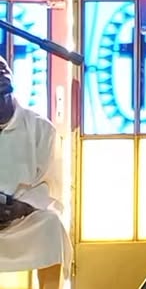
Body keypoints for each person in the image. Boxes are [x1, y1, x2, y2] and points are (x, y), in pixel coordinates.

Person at [0, 56, 70, 289]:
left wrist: (20, 207)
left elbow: (51, 184)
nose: (1, 76)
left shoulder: (40, 128)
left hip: (23, 219)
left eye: (3, 69)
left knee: (51, 225)